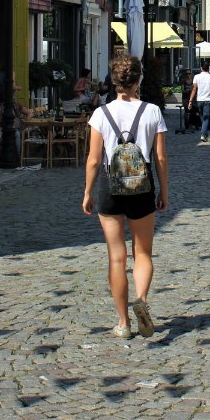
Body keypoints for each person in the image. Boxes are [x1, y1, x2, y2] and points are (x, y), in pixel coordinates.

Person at [83, 55, 169, 340]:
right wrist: (164, 190)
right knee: (142, 253)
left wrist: (87, 192)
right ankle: (141, 300)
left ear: (115, 81)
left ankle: (123, 323)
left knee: (116, 257)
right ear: (138, 80)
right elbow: (159, 157)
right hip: (142, 188)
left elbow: (94, 160)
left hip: (110, 188)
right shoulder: (152, 112)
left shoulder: (100, 114)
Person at [187, 61, 210, 142]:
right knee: (206, 117)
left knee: (202, 117)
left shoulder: (196, 77)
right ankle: (203, 134)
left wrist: (190, 100)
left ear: (201, 68)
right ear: (208, 68)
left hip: (199, 100)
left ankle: (204, 134)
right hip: (208, 100)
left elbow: (194, 89)